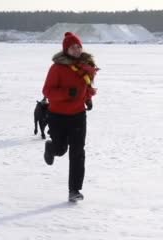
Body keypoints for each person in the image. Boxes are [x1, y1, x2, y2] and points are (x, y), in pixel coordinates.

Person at [42, 32, 98, 202]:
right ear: (66, 49)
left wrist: (87, 99)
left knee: (78, 152)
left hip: (78, 116)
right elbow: (47, 91)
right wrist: (67, 93)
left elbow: (86, 86)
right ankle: (52, 147)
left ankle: (74, 190)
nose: (77, 49)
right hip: (58, 116)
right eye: (73, 47)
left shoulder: (85, 66)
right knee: (61, 150)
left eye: (79, 46)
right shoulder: (57, 68)